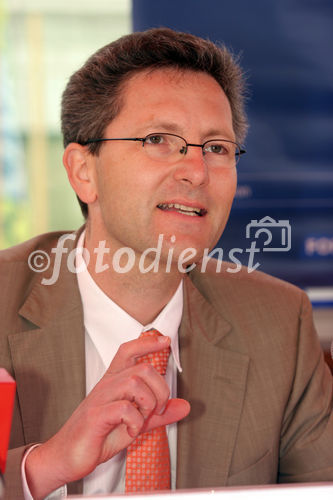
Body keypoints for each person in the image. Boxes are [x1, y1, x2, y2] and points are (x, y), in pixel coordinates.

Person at [1, 27, 333, 499]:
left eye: (217, 148)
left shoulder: (279, 321)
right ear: (83, 172)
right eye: (158, 139)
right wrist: (46, 465)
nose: (196, 171)